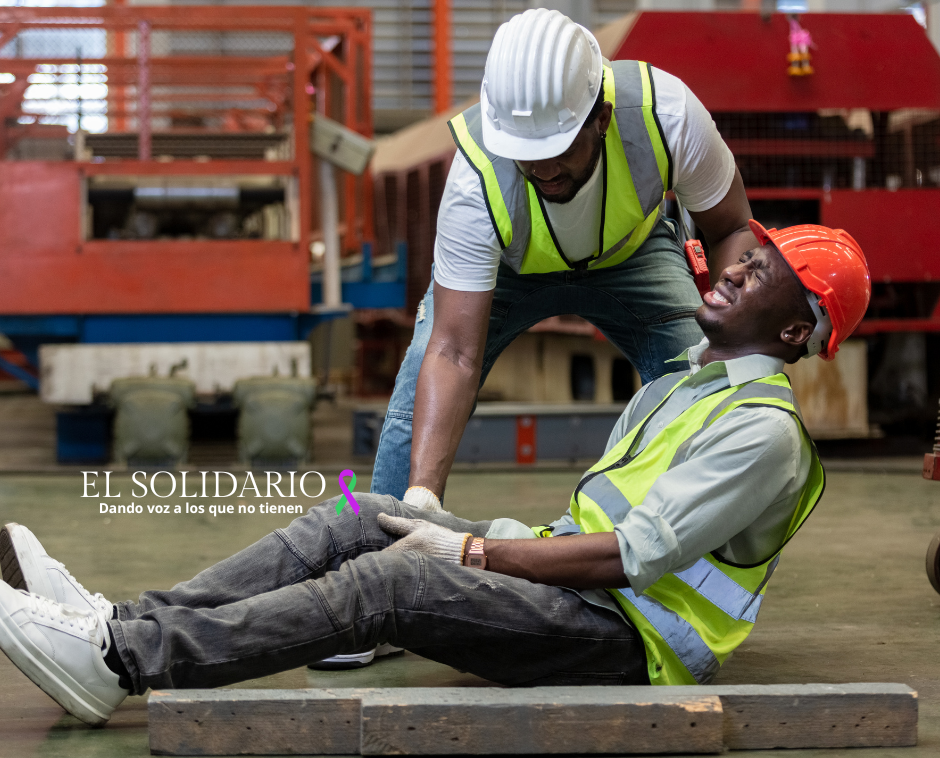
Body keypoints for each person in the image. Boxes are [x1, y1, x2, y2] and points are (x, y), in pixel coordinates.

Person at [0, 221, 870, 726]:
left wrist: (472, 557)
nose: (731, 270)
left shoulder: (762, 435)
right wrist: (486, 538)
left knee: (387, 583)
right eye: (744, 257)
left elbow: (627, 558)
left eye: (760, 276)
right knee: (358, 516)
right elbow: (583, 534)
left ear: (796, 333)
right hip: (577, 594)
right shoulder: (686, 389)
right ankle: (121, 619)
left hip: (629, 648)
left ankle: (122, 659)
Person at [374, 7, 758, 518]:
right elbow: (454, 353)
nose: (541, 167)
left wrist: (732, 341)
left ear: (601, 118)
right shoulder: (475, 181)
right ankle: (387, 539)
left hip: (632, 256)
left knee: (699, 374)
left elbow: (731, 228)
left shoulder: (665, 114)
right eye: (524, 151)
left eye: (557, 148)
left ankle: (697, 528)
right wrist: (421, 498)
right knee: (419, 388)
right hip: (510, 273)